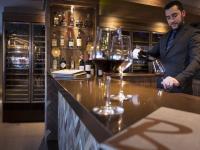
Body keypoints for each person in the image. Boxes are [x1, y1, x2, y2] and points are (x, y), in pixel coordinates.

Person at [133, 0, 200, 94]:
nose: (171, 20)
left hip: (180, 90)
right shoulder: (164, 37)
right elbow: (151, 55)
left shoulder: (193, 33)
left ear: (183, 13)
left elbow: (197, 60)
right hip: (161, 88)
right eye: (168, 17)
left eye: (174, 15)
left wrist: (178, 80)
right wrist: (138, 53)